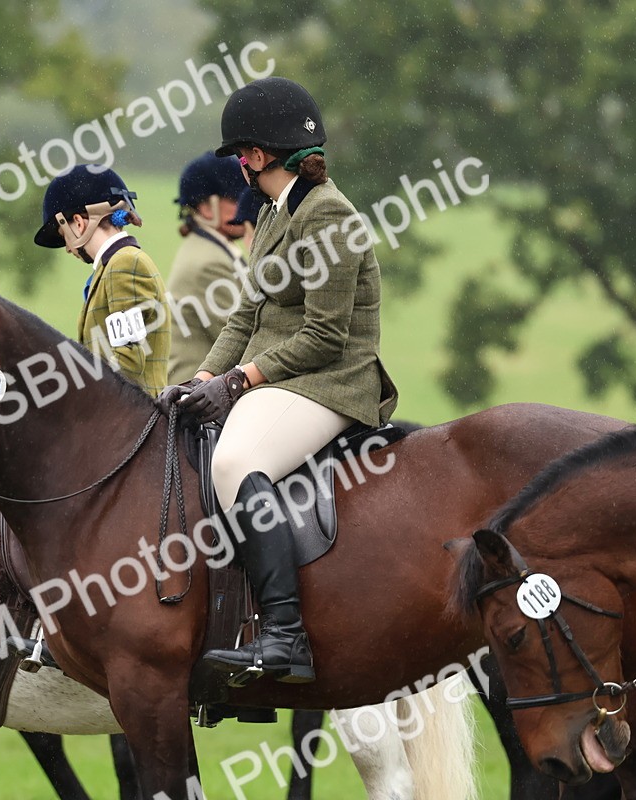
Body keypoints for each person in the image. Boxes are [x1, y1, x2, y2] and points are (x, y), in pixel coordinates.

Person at [160, 77, 398, 683]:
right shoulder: (272, 213)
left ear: (259, 157)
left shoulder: (328, 216)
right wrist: (204, 377)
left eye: (240, 154)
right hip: (283, 378)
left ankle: (284, 636)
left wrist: (238, 382)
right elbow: (247, 313)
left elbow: (326, 337)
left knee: (236, 463)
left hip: (333, 382)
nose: (239, 165)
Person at [34, 165, 171, 396]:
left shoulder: (125, 265)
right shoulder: (112, 267)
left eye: (63, 236)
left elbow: (128, 363)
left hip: (134, 422)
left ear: (78, 223)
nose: (68, 248)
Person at [165, 152, 249, 384]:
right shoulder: (209, 263)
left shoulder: (211, 249)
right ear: (207, 208)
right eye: (236, 198)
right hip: (199, 404)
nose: (248, 205)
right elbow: (249, 341)